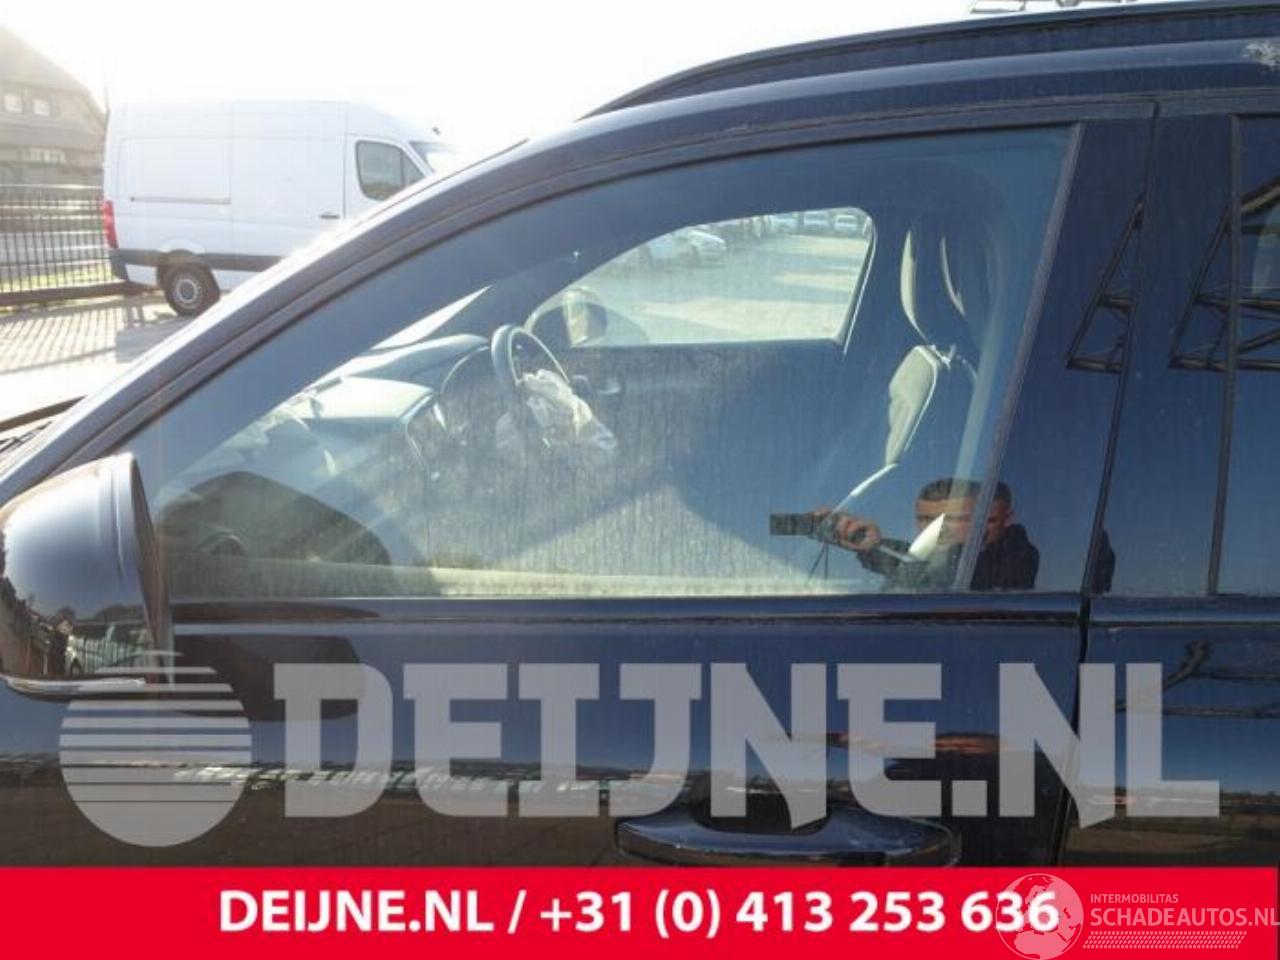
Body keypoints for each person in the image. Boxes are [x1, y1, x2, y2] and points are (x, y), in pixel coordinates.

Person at [822, 477, 1039, 591]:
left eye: (950, 519)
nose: (936, 529)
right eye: (925, 519)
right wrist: (874, 546)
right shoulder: (932, 559)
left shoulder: (1012, 557)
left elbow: (941, 570)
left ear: (981, 520)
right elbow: (914, 558)